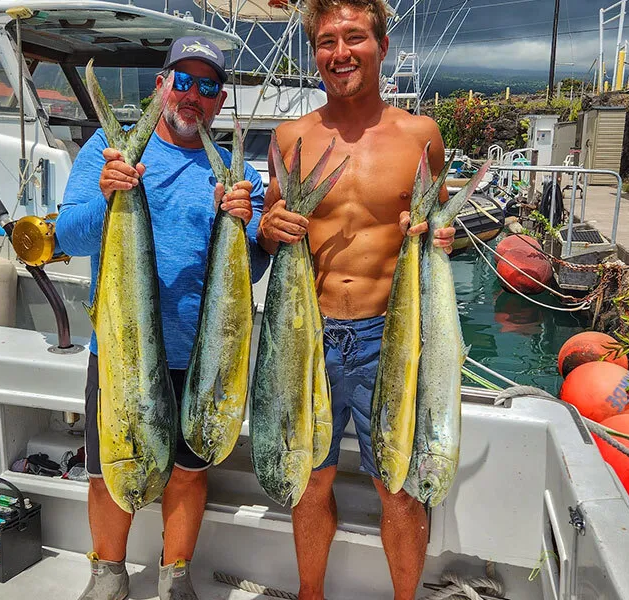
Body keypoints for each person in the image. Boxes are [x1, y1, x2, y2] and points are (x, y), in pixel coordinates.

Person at [255, 0, 457, 598]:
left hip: (386, 336)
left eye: (354, 37)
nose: (339, 53)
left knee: (399, 483)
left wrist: (440, 235)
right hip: (305, 332)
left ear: (382, 45)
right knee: (309, 479)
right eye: (326, 41)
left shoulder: (421, 135)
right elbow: (272, 227)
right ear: (314, 52)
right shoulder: (291, 136)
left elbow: (435, 225)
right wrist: (267, 230)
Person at [56, 36, 269, 600]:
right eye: (182, 80)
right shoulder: (109, 148)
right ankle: (108, 574)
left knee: (190, 470)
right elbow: (67, 234)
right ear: (161, 84)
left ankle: (176, 577)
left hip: (203, 358)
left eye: (207, 86)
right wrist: (108, 193)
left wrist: (242, 222)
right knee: (107, 472)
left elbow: (247, 270)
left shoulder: (232, 172)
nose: (192, 95)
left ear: (219, 100)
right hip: (122, 353)